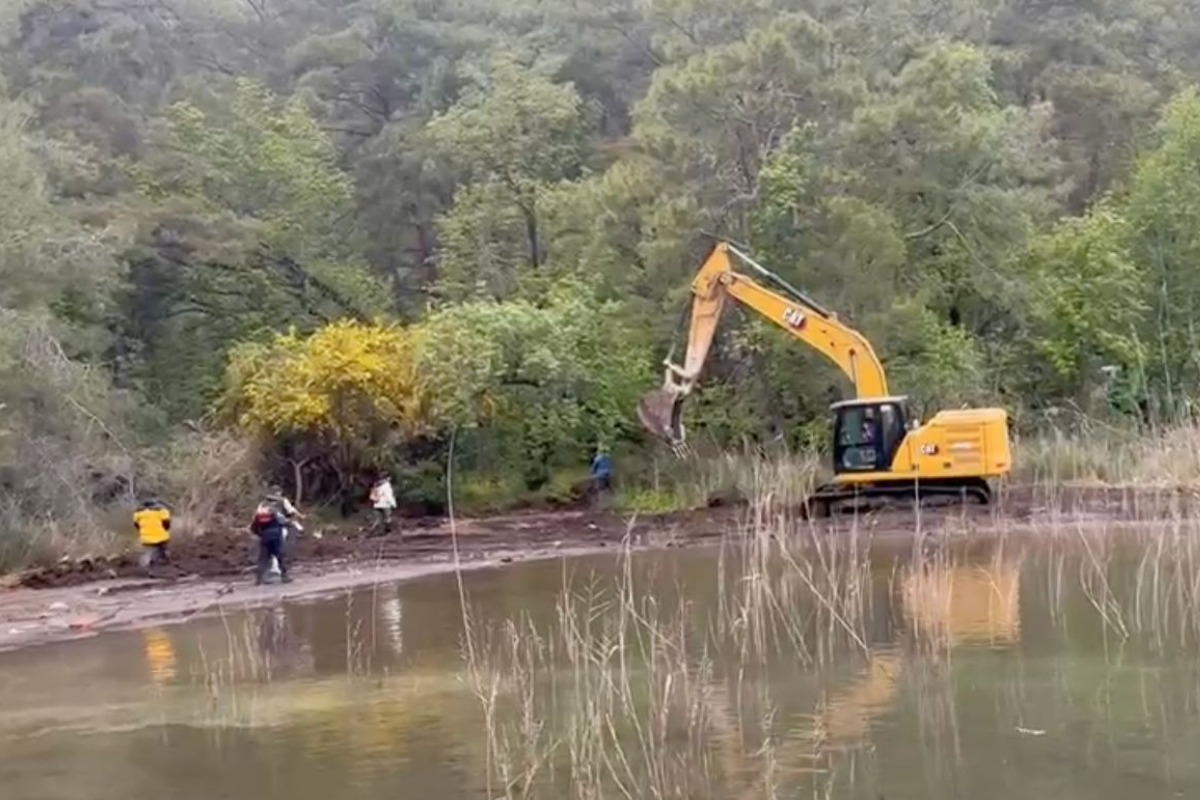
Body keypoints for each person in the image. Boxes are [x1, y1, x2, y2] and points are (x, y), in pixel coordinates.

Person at [251, 494, 292, 584]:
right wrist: (290, 523)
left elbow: (254, 526)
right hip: (276, 537)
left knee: (263, 558)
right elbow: (283, 522)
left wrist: (260, 534)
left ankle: (260, 579)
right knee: (281, 556)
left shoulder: (259, 512)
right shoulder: (274, 511)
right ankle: (285, 576)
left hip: (264, 538)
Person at [133, 498, 171, 567]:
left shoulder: (138, 513)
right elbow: (167, 524)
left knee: (148, 551)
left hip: (145, 538)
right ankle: (164, 560)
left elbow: (136, 525)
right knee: (164, 548)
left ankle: (147, 562)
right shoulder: (162, 511)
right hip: (161, 536)